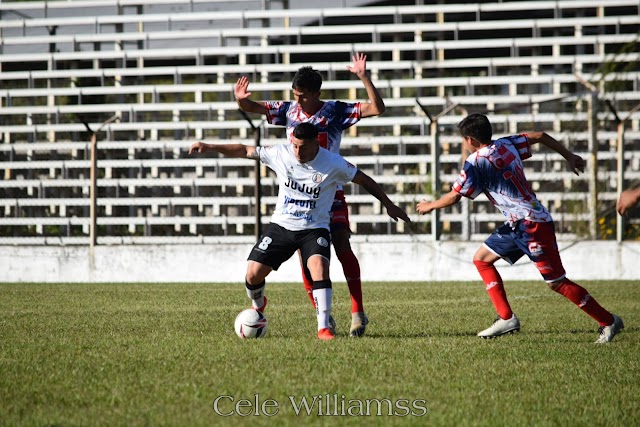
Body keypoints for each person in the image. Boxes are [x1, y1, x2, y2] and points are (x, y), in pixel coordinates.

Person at [189, 122, 410, 340]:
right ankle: (258, 306)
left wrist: (388, 204)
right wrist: (209, 146)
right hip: (282, 226)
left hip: (314, 229)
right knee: (252, 274)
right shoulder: (281, 154)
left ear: (316, 144)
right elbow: (246, 150)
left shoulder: (333, 163)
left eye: (303, 147)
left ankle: (323, 328)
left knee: (319, 268)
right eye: (294, 145)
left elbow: (364, 179)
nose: (297, 151)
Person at [416, 113, 624, 343]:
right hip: (518, 223)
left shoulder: (475, 162)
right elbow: (541, 135)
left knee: (556, 282)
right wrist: (569, 156)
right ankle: (506, 318)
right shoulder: (506, 144)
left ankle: (608, 321)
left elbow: (456, 196)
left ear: (470, 140)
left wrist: (430, 205)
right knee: (482, 259)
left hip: (532, 225)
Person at [233, 53, 386, 337]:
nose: (298, 100)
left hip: (331, 191)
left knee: (342, 248)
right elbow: (250, 106)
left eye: (302, 96)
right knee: (309, 257)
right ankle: (323, 316)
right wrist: (240, 98)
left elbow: (377, 108)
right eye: (295, 95)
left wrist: (364, 77)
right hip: (300, 196)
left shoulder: (335, 111)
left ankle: (358, 313)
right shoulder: (288, 110)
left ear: (317, 93)